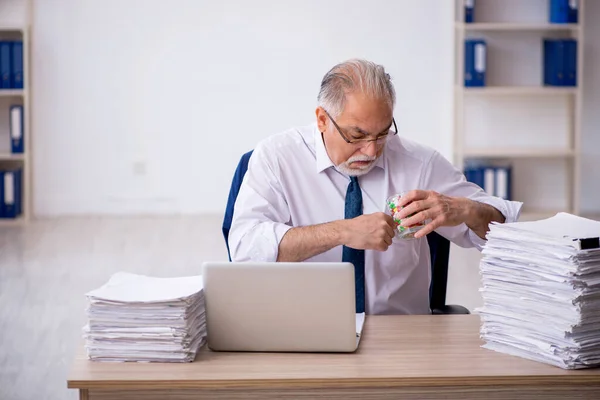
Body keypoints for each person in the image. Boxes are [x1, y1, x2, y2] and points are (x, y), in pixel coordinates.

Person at [228, 59, 522, 315]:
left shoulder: (419, 162)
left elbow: (507, 234)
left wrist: (466, 209)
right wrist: (343, 231)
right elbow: (244, 247)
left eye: (382, 134)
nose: (371, 151)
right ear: (322, 120)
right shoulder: (277, 157)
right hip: (301, 330)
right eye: (357, 135)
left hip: (401, 332)